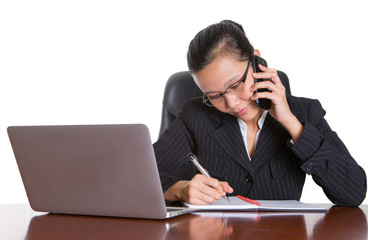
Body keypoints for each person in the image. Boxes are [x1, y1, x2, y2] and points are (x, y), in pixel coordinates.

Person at [153, 20, 366, 206]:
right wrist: (180, 189)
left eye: (235, 84)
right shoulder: (196, 116)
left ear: (257, 62)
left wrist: (292, 124)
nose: (232, 103)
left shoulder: (305, 113)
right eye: (215, 96)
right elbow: (137, 176)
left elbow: (353, 193)